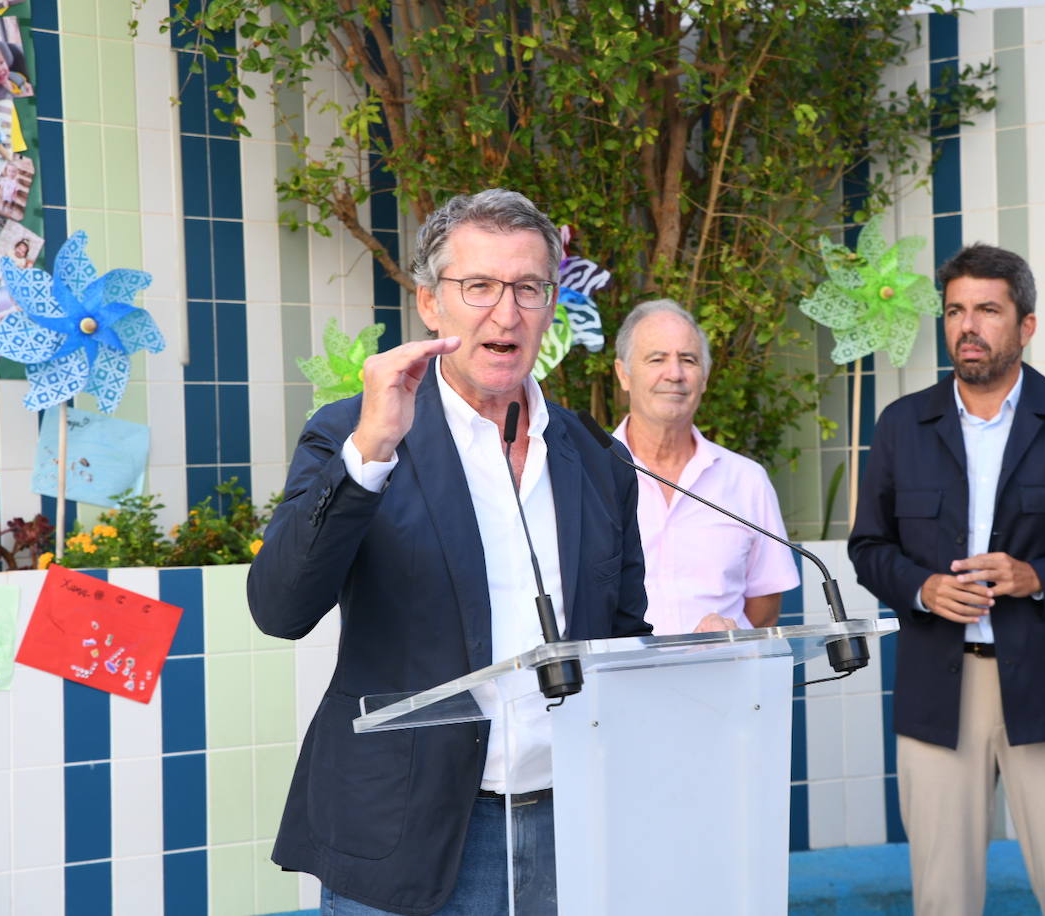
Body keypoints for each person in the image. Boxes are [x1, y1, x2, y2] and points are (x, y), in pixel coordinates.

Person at [248, 189, 652, 916]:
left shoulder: (594, 454)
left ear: (551, 303)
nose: (507, 313)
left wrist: (704, 662)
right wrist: (371, 451)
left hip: (568, 825)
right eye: (480, 287)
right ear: (432, 304)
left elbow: (623, 633)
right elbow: (280, 608)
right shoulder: (356, 433)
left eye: (528, 287)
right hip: (408, 834)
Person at [848, 243, 1045, 915]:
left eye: (987, 309)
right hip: (938, 688)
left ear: (1026, 324)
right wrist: (922, 588)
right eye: (956, 310)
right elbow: (869, 547)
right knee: (942, 895)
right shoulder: (902, 425)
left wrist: (1035, 575)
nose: (968, 326)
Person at [611, 299, 799, 634]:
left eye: (688, 360)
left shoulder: (746, 480)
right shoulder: (586, 475)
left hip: (725, 679)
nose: (675, 374)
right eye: (657, 359)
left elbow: (766, 607)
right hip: (620, 682)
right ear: (623, 374)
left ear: (705, 378)